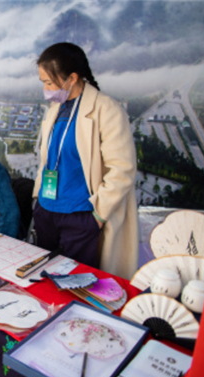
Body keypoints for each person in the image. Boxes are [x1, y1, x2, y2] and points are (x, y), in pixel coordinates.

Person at [32, 42, 138, 279]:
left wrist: (98, 216)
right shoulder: (55, 108)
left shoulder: (107, 110)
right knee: (46, 281)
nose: (46, 89)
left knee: (76, 283)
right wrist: (38, 200)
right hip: (47, 210)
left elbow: (122, 169)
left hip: (81, 215)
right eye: (44, 83)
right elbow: (48, 159)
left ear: (71, 78)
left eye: (49, 82)